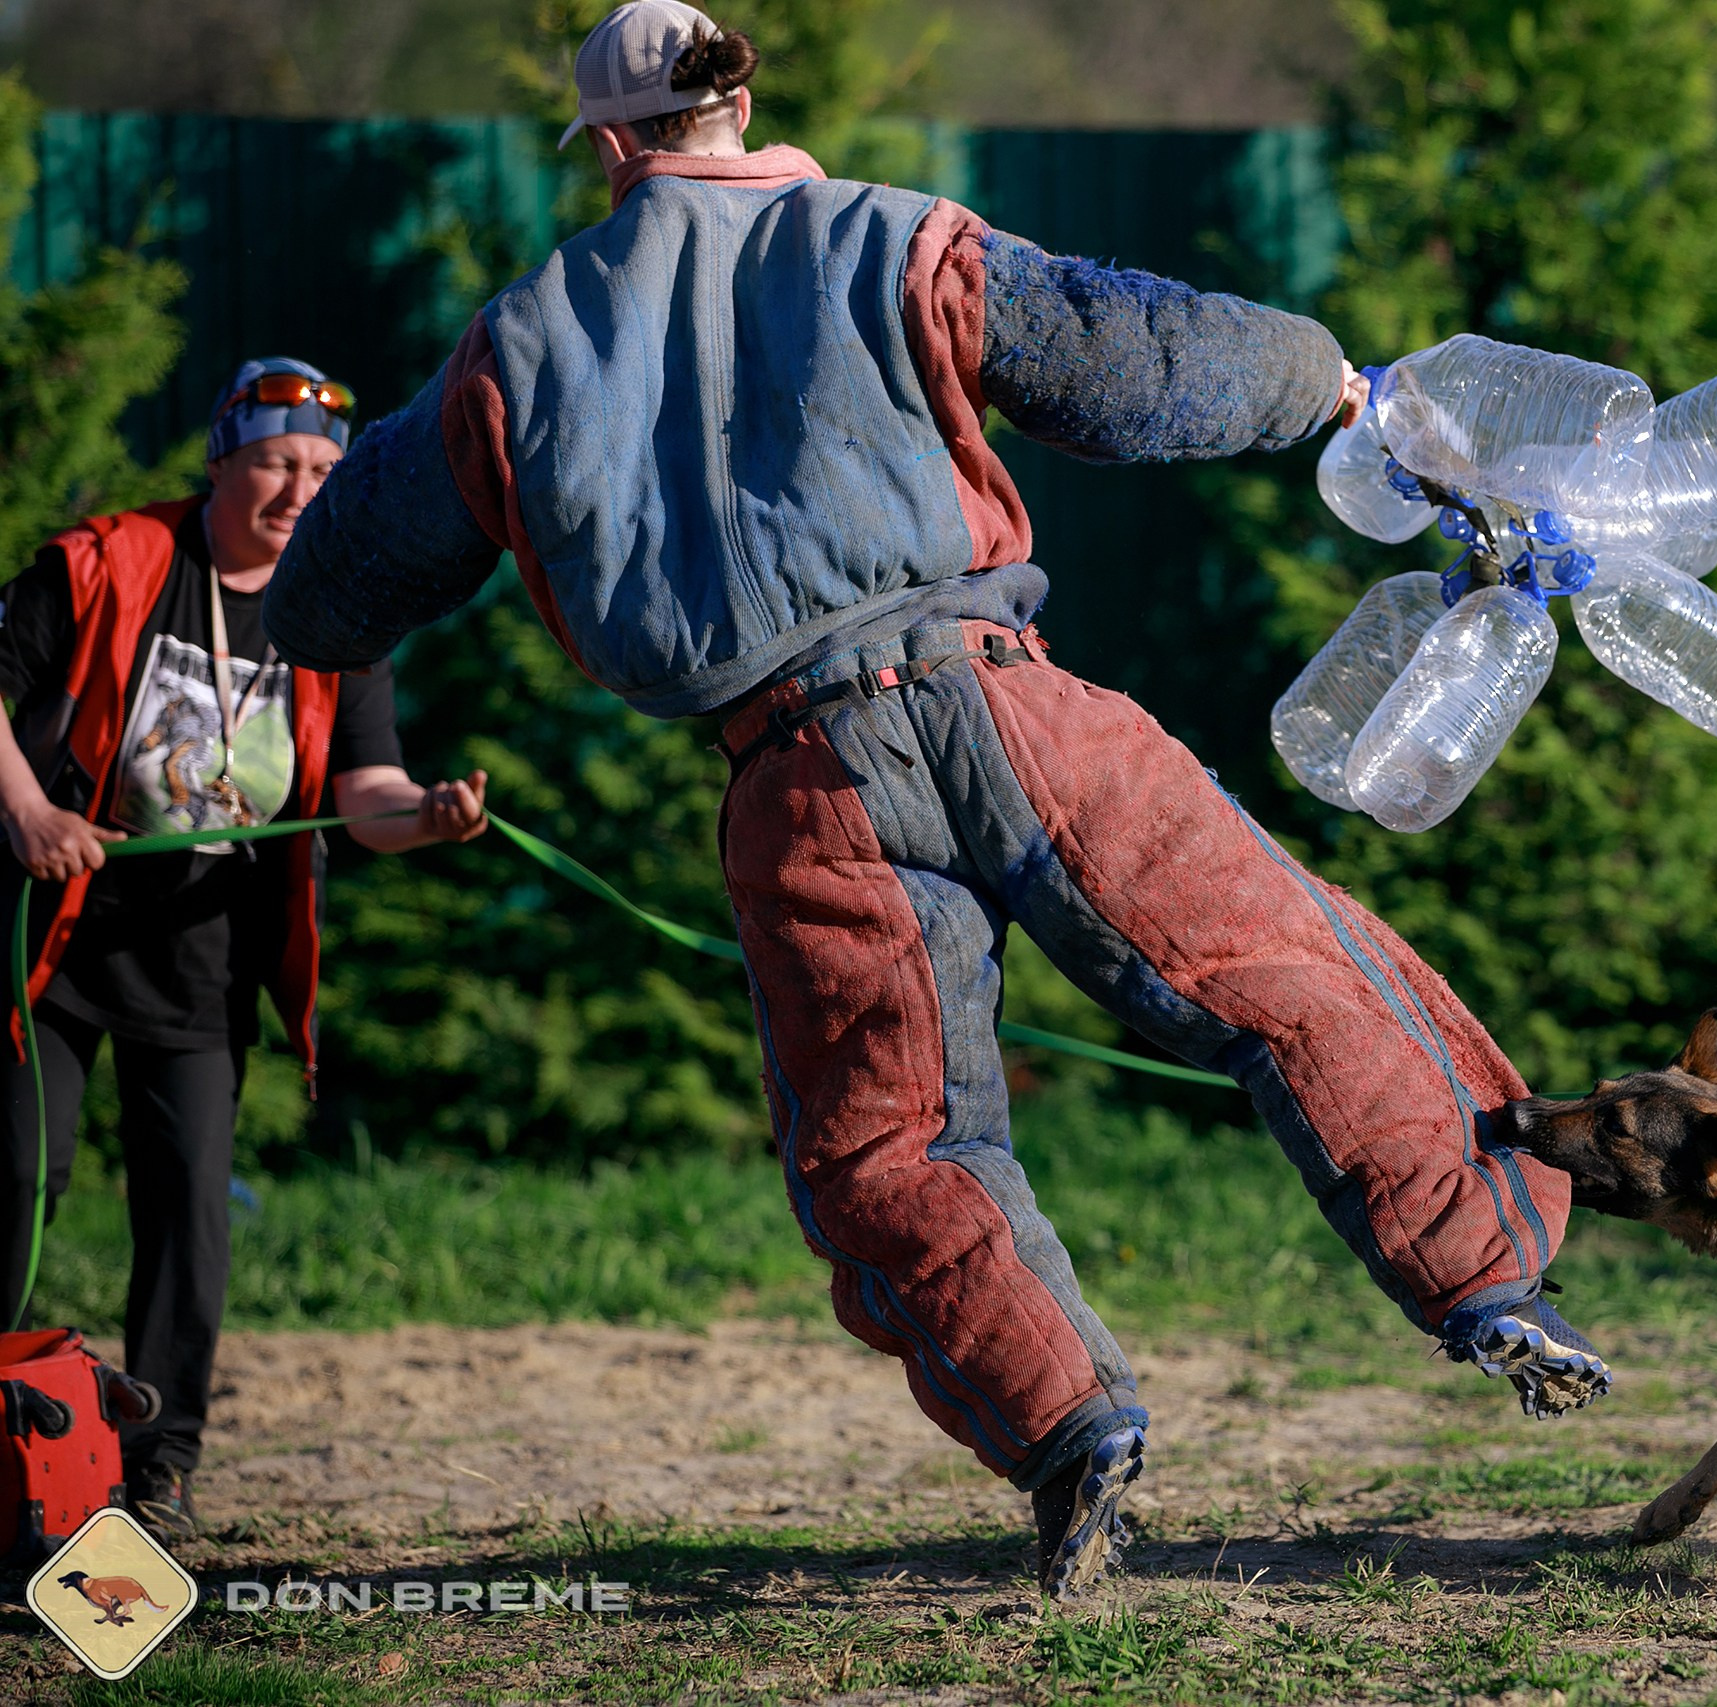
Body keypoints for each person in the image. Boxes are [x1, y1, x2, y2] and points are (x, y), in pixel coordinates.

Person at [264, 1, 1611, 1598]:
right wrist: (1334, 388)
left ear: (610, 144)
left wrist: (299, 614)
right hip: (1010, 700)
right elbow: (1127, 359)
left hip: (799, 781)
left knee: (889, 1143)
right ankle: (1488, 1277)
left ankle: (1071, 1425)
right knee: (1284, 966)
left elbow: (343, 576)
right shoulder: (898, 239)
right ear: (740, 101)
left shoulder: (519, 344)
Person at [0, 357, 492, 1544]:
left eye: (321, 470)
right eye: (276, 463)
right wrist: (28, 814)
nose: (298, 491)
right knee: (19, 1180)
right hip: (55, 941)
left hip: (202, 961)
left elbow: (364, 793)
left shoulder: (337, 609)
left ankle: (160, 1464)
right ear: (222, 461)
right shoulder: (109, 562)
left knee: (190, 1216)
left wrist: (425, 816)